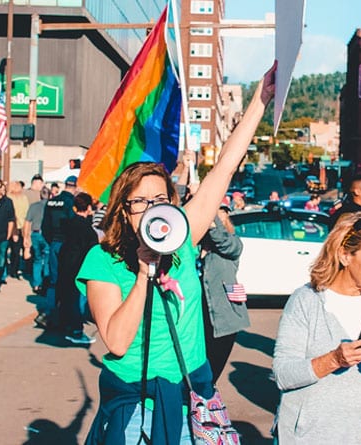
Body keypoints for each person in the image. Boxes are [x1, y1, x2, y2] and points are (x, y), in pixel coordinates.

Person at [78, 63, 274, 444]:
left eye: (160, 199)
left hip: (191, 401)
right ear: (124, 210)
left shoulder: (182, 238)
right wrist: (143, 272)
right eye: (140, 202)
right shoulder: (102, 261)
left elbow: (224, 170)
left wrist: (260, 101)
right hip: (137, 408)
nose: (152, 209)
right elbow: (116, 341)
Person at [273, 212, 361, 444]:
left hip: (360, 436)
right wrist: (334, 359)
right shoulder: (306, 299)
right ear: (345, 255)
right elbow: (283, 374)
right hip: (304, 437)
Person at [200, 202, 249, 382]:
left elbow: (221, 239)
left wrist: (209, 214)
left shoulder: (234, 243)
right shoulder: (195, 245)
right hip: (197, 318)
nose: (219, 215)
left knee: (211, 374)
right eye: (215, 210)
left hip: (223, 320)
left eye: (222, 211)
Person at [58, 192, 98, 344]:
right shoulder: (87, 229)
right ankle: (76, 331)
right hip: (80, 266)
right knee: (78, 299)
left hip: (66, 264)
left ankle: (68, 326)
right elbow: (93, 250)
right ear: (88, 207)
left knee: (68, 297)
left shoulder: (67, 224)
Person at [37, 175, 76, 327]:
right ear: (75, 187)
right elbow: (73, 225)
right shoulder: (71, 203)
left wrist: (51, 241)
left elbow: (45, 225)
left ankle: (48, 312)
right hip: (67, 244)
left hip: (54, 242)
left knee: (54, 280)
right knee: (68, 281)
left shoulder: (52, 202)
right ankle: (63, 316)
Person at [23, 187, 51, 295]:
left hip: (35, 233)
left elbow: (27, 222)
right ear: (50, 195)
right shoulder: (51, 207)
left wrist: (26, 237)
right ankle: (46, 284)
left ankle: (36, 284)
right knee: (47, 260)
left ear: (40, 195)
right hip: (47, 234)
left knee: (37, 259)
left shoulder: (33, 206)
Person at [7, 180, 29, 279]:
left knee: (19, 249)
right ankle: (13, 270)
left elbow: (26, 212)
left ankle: (16, 269)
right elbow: (12, 214)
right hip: (14, 226)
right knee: (15, 250)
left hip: (21, 225)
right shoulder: (10, 197)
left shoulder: (23, 197)